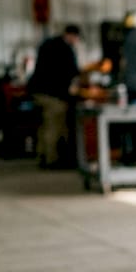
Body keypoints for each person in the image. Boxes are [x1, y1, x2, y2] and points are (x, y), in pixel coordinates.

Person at [26, 23, 81, 168]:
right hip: (52, 95)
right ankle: (51, 160)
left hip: (37, 92)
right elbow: (72, 73)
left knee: (44, 126)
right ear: (72, 36)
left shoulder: (48, 44)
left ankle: (42, 156)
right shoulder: (65, 49)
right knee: (54, 126)